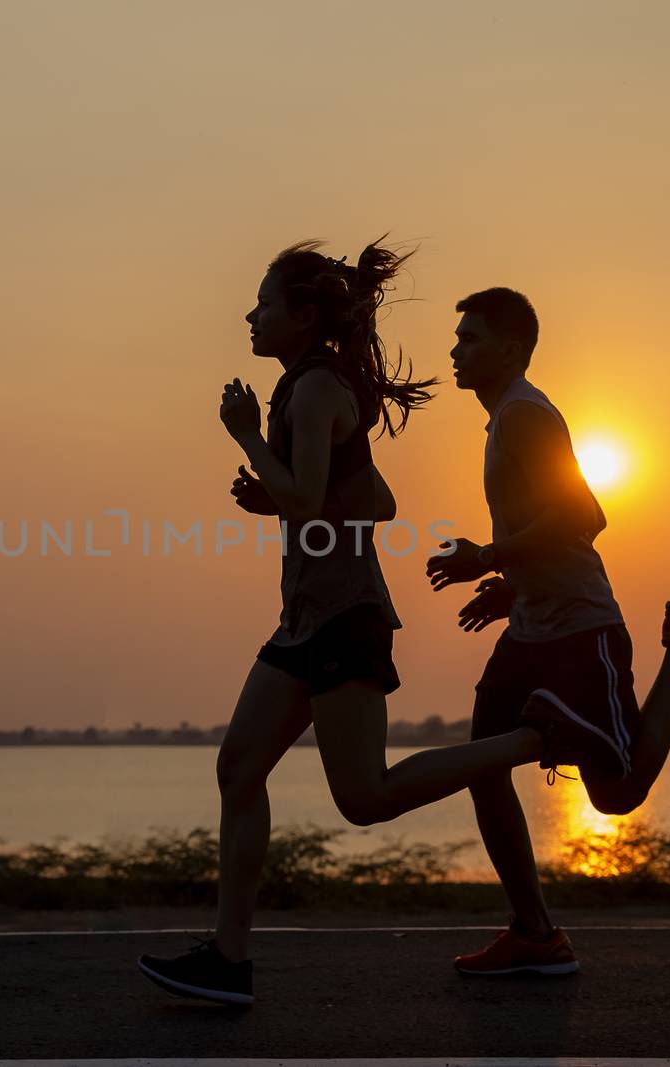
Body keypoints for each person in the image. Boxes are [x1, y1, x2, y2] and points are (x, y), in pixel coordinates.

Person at [138, 241, 572, 1007]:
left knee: (364, 798)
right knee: (238, 768)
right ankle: (228, 960)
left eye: (264, 304)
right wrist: (277, 492)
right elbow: (376, 502)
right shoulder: (315, 390)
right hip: (305, 620)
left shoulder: (310, 393)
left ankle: (537, 738)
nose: (250, 314)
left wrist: (243, 437)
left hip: (344, 619)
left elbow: (311, 501)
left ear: (303, 317)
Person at [426, 286, 670, 978]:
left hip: (581, 630)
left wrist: (487, 559)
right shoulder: (504, 421)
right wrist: (512, 587)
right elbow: (559, 521)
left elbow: (583, 514)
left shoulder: (525, 415)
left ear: (512, 348)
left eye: (469, 338)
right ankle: (535, 933)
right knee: (482, 768)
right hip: (530, 627)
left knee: (617, 794)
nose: (455, 350)